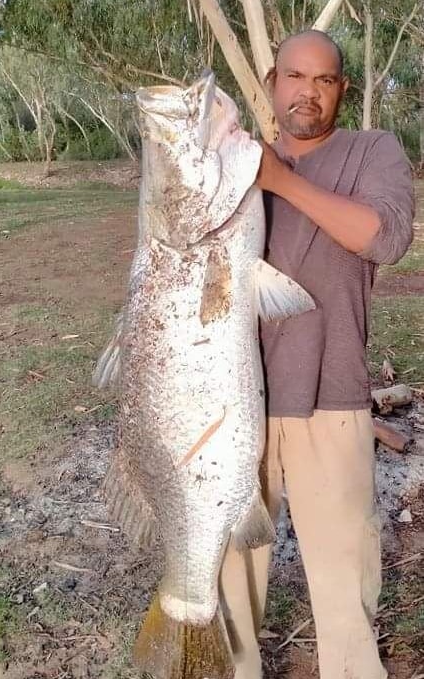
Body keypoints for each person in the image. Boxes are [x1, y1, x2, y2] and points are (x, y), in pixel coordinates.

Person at [219, 30, 415, 679]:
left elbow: (384, 238)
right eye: (295, 77)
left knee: (343, 579)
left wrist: (281, 180)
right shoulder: (235, 164)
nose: (307, 91)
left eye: (323, 80)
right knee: (230, 575)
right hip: (234, 404)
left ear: (341, 90)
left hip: (330, 398)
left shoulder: (371, 151)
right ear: (273, 82)